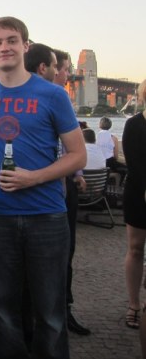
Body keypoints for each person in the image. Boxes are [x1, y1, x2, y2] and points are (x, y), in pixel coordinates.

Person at [0, 17, 86, 359]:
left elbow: (78, 155)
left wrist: (34, 177)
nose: (4, 47)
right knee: (4, 308)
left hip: (46, 216)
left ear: (25, 46)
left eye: (11, 40)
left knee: (50, 313)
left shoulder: (53, 94)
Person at [52, 48, 90, 336]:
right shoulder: (47, 97)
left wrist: (77, 173)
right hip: (52, 189)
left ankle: (64, 310)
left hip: (65, 185)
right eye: (63, 69)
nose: (67, 74)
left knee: (67, 252)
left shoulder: (61, 98)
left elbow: (72, 146)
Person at [122, 78, 146, 330]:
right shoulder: (133, 125)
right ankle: (133, 304)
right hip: (138, 193)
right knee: (136, 248)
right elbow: (134, 162)